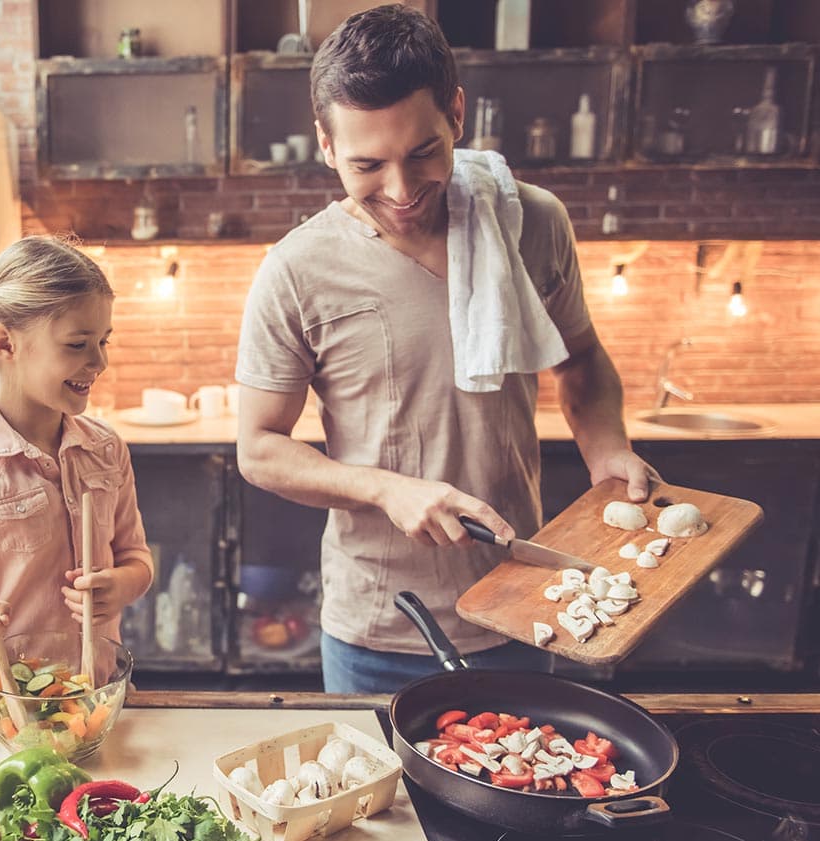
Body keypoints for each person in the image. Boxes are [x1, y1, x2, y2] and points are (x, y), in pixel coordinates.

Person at [234, 6, 656, 694]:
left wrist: (605, 449)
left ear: (457, 113)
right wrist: (384, 488)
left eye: (423, 152)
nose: (402, 191)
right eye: (368, 164)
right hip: (377, 624)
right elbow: (258, 448)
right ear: (326, 146)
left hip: (522, 604)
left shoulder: (532, 221)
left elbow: (578, 357)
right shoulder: (296, 269)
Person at [0, 236, 153, 673]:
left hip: (101, 696)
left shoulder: (107, 451)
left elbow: (137, 557)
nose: (99, 362)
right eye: (77, 345)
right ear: (4, 344)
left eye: (103, 342)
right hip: (11, 712)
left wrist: (122, 584)